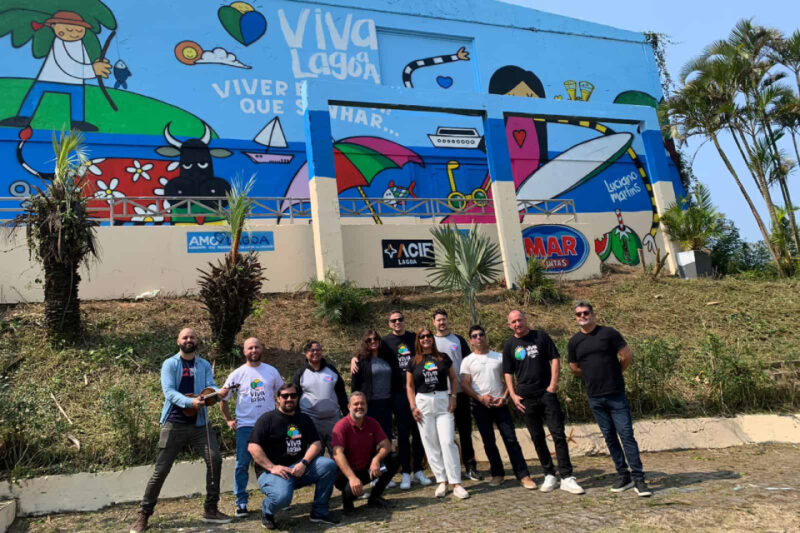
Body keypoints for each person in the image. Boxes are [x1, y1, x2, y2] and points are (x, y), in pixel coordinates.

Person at [129, 328, 231, 533]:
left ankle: (210, 509)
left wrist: (218, 393)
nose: (189, 339)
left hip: (200, 424)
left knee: (215, 460)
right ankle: (143, 515)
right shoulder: (170, 364)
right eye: (185, 337)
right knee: (161, 470)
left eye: (192, 337)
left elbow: (210, 387)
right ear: (178, 341)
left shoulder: (203, 364)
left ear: (197, 341)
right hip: (174, 423)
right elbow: (169, 392)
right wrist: (189, 401)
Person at [568, 301, 652, 497]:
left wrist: (615, 373)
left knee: (626, 436)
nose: (582, 316)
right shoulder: (574, 342)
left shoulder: (609, 333)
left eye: (585, 312)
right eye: (578, 314)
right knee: (610, 438)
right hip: (595, 398)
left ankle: (639, 479)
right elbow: (574, 367)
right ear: (576, 318)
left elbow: (626, 356)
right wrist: (591, 376)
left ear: (593, 313)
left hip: (616, 396)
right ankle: (624, 475)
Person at [503, 310, 584, 495]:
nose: (517, 324)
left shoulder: (540, 336)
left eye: (519, 320)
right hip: (525, 398)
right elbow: (507, 372)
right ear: (510, 325)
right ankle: (549, 474)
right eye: (513, 322)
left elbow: (555, 359)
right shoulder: (509, 345)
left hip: (546, 394)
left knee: (558, 434)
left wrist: (553, 385)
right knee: (537, 436)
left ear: (526, 319)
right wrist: (513, 395)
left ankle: (566, 476)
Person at [354, 311, 431, 489]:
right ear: (389, 324)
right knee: (402, 434)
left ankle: (418, 470)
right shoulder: (386, 343)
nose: (397, 322)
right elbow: (367, 356)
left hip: (418, 391)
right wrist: (354, 359)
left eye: (400, 319)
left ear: (404, 321)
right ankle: (405, 472)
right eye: (393, 320)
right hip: (397, 395)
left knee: (419, 431)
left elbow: (428, 348)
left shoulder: (414, 337)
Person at [0, 10, 111, 131]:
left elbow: (82, 62)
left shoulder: (79, 44)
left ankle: (78, 122)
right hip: (50, 78)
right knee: (36, 93)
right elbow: (69, 66)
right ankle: (23, 118)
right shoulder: (59, 43)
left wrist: (94, 66)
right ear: (55, 28)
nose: (74, 33)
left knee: (77, 97)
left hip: (74, 81)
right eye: (69, 30)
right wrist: (93, 70)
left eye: (79, 30)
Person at [248, 383, 339, 529]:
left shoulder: (304, 419)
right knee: (282, 498)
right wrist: (272, 467)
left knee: (328, 465)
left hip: (299, 468)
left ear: (298, 398)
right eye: (285, 396)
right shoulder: (267, 419)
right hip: (273, 472)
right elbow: (253, 447)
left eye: (293, 396)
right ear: (278, 399)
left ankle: (319, 513)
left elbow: (316, 443)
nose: (289, 399)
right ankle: (267, 510)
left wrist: (304, 463)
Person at [460, 325, 536, 489]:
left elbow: (510, 379)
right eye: (474, 336)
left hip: (500, 404)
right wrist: (480, 398)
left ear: (486, 336)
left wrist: (505, 396)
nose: (478, 338)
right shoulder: (467, 361)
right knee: (488, 441)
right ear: (471, 341)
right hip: (480, 405)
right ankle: (497, 474)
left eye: (481, 334)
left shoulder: (499, 357)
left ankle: (523, 475)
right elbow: (465, 385)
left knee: (511, 439)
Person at [220, 337, 284, 517]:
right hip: (245, 427)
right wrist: (228, 420)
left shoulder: (271, 371)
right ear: (244, 351)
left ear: (262, 349)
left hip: (269, 425)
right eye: (250, 348)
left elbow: (282, 394)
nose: (253, 350)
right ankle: (241, 502)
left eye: (256, 347)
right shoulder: (237, 374)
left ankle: (279, 497)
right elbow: (223, 399)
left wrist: (281, 417)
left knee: (276, 461)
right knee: (242, 465)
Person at [406, 327, 470, 500]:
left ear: (432, 339)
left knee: (447, 441)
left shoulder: (443, 357)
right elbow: (410, 386)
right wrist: (413, 407)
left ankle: (456, 482)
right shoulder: (413, 361)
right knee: (430, 443)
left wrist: (454, 396)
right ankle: (442, 480)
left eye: (428, 336)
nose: (426, 339)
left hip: (443, 401)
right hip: (423, 402)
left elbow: (454, 379)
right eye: (422, 337)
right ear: (418, 340)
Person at [432, 309, 481, 481]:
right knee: (444, 435)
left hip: (460, 393)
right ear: (434, 323)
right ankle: (448, 470)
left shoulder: (458, 340)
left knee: (465, 431)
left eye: (444, 319)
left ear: (448, 320)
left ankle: (470, 467)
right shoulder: (430, 342)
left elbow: (470, 361)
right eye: (438, 320)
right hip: (440, 395)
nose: (441, 323)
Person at [332, 391, 401, 514]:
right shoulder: (341, 426)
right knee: (350, 491)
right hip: (347, 475)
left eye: (362, 403)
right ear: (349, 407)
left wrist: (376, 460)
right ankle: (348, 504)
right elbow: (337, 454)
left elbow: (386, 445)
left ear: (366, 406)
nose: (359, 406)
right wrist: (352, 478)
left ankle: (375, 497)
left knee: (394, 458)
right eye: (356, 404)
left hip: (366, 470)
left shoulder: (371, 423)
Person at [292, 340, 349, 456]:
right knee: (315, 457)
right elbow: (294, 397)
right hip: (311, 422)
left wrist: (347, 414)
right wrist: (296, 418)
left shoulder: (331, 370)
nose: (315, 352)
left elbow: (341, 393)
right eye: (311, 350)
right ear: (306, 353)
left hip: (333, 420)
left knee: (339, 455)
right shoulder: (300, 373)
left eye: (318, 349)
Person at [350, 330, 401, 451]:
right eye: (369, 340)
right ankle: (372, 465)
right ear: (365, 343)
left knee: (386, 434)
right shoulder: (361, 361)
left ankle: (387, 465)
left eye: (375, 339)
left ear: (379, 340)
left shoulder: (387, 357)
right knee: (370, 436)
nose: (373, 341)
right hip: (370, 404)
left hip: (387, 402)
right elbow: (355, 386)